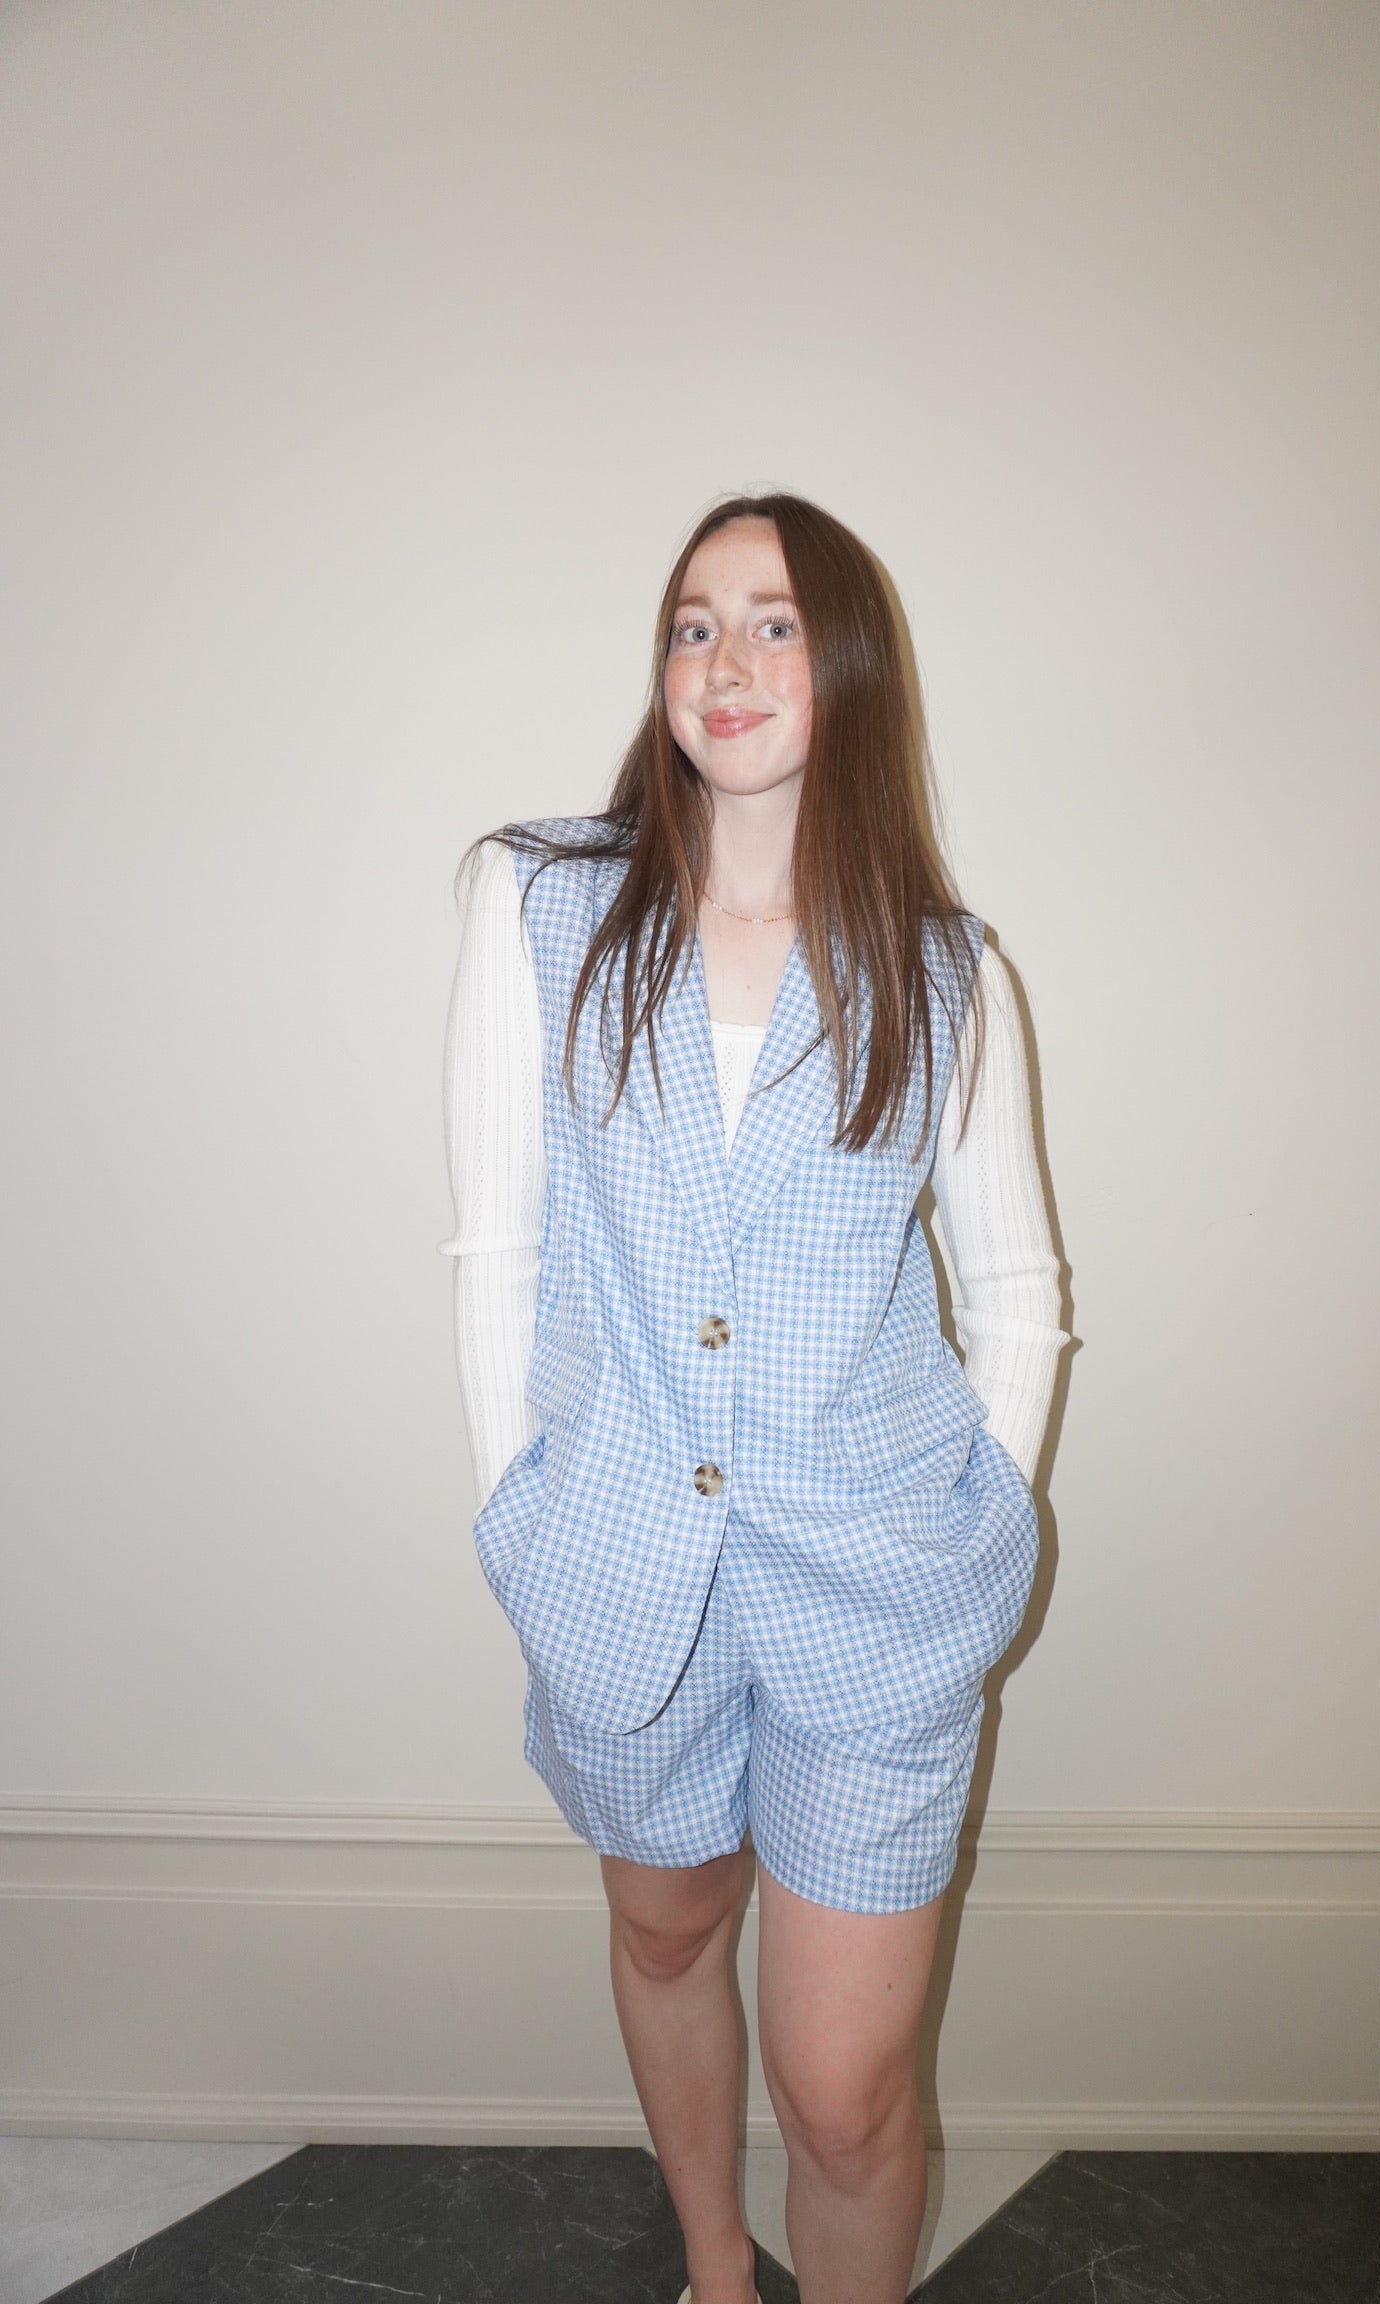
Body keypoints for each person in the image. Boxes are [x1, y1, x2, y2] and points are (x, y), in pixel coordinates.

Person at [441, 493, 1068, 2304]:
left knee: (854, 2089)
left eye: (776, 622)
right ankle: (718, 2269)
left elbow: (1017, 1292)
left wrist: (980, 1528)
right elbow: (497, 1246)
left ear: (850, 665)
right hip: (619, 1565)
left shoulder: (946, 976)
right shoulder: (544, 903)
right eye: (694, 622)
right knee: (666, 1935)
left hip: (880, 1591)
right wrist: (522, 1516)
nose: (726, 660)